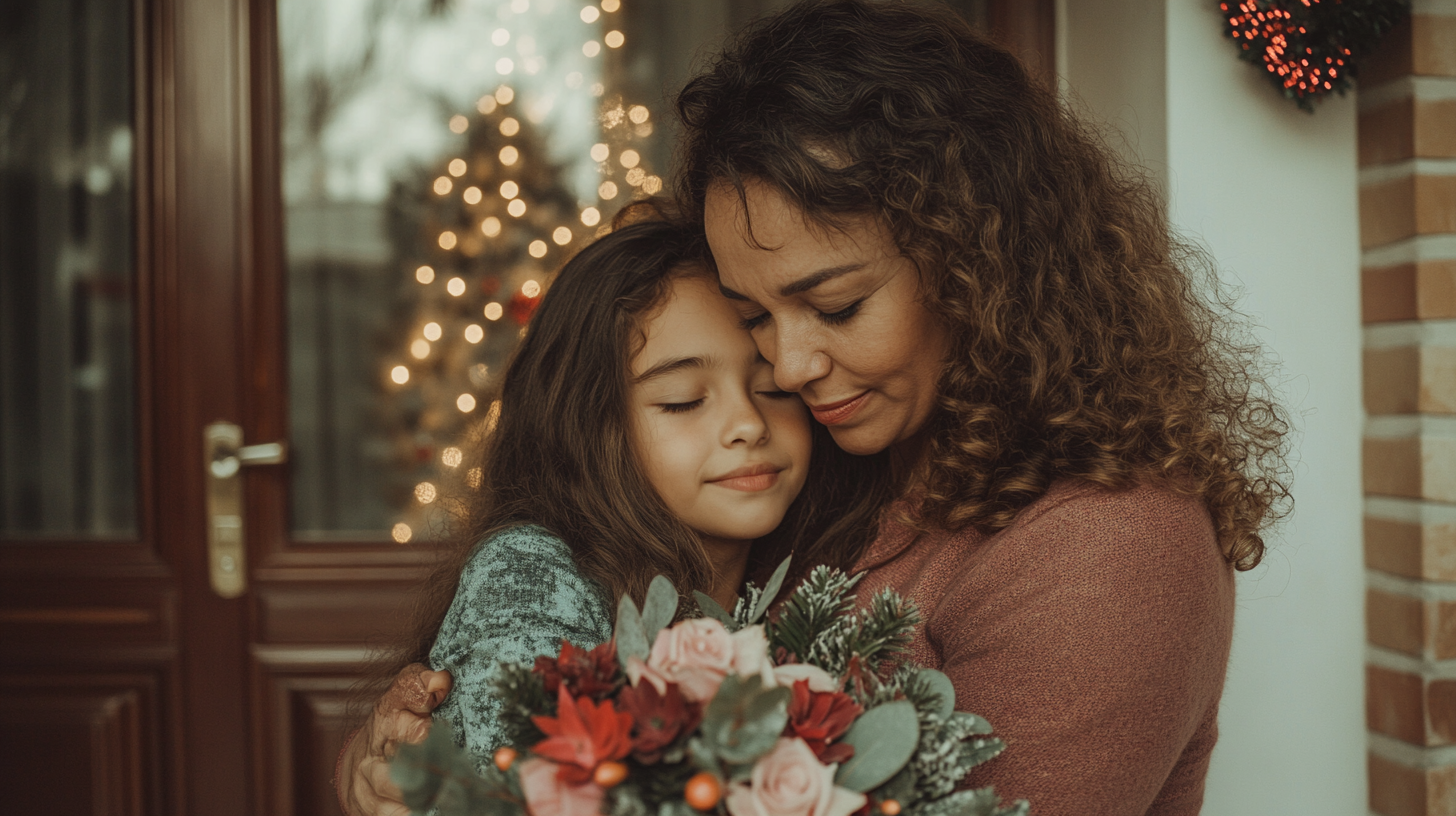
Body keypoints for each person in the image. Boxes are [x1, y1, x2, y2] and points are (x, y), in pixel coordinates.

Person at [342, 2, 1291, 814]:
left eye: (836, 306)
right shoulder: (830, 457)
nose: (789, 365)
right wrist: (398, 758)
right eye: (757, 315)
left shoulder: (1109, 543)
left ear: (977, 263)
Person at [335, 216, 891, 816]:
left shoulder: (819, 566)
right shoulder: (529, 573)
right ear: (591, 427)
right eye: (683, 400)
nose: (749, 425)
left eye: (774, 390)